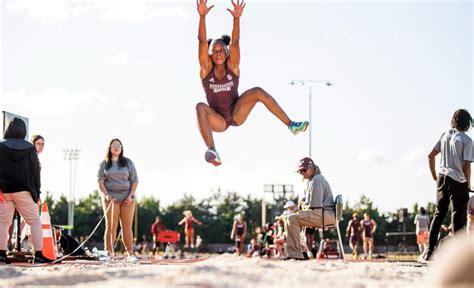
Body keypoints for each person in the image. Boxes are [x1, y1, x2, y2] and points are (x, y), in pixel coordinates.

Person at [196, 0, 309, 166]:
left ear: (227, 53)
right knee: (199, 107)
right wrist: (202, 16)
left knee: (257, 91)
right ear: (210, 54)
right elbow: (201, 41)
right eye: (215, 51)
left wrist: (236, 19)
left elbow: (235, 42)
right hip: (217, 119)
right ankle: (212, 150)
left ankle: (291, 125)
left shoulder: (233, 66)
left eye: (222, 50)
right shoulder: (206, 70)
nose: (219, 54)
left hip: (236, 112)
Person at [0, 117, 52, 263]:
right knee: (34, 222)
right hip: (24, 190)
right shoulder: (29, 148)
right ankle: (39, 255)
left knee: (2, 223)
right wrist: (37, 192)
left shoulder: (0, 146)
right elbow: (35, 172)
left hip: (4, 190)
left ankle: (1, 254)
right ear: (24, 130)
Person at [424, 109, 472, 261]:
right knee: (458, 218)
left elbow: (430, 156)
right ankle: (458, 258)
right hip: (457, 180)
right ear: (468, 122)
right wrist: (468, 184)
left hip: (442, 178)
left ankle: (429, 252)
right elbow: (467, 166)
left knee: (438, 215)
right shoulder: (467, 140)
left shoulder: (445, 135)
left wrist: (434, 175)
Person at [284, 157, 335, 260]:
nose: (302, 173)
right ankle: (303, 252)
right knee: (296, 218)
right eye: (300, 171)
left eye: (304, 170)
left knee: (291, 219)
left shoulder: (316, 181)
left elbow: (315, 206)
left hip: (323, 214)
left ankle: (295, 254)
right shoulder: (316, 179)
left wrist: (300, 210)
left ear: (311, 167)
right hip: (326, 214)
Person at [98, 138, 139, 262]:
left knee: (127, 226)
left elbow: (135, 180)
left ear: (121, 148)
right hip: (111, 198)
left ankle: (130, 254)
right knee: (111, 225)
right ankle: (109, 253)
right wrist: (106, 195)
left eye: (119, 145)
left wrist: (131, 195)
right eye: (114, 145)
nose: (116, 147)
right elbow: (100, 181)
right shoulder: (104, 163)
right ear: (109, 148)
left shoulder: (127, 162)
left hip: (127, 198)